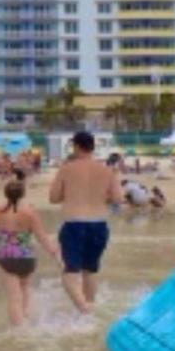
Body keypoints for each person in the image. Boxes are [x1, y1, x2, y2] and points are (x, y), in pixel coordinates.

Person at [48, 131, 122, 314]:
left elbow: (53, 197)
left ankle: (83, 309)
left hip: (74, 223)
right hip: (99, 224)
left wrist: (72, 192)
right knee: (90, 270)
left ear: (76, 146)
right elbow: (118, 198)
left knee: (69, 272)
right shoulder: (106, 170)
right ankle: (89, 309)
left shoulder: (67, 169)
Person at [0, 179, 61, 326]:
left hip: (5, 258)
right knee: (25, 290)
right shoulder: (30, 212)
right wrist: (55, 254)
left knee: (14, 297)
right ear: (23, 194)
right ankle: (26, 318)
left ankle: (19, 331)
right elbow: (42, 237)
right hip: (26, 258)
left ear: (6, 194)